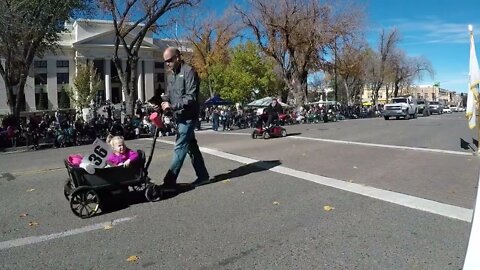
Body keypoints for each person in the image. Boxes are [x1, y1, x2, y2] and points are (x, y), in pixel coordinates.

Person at [157, 47, 210, 189]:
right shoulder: (171, 75)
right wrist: (161, 103)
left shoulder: (189, 72)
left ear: (178, 57)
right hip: (179, 116)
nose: (167, 63)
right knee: (191, 146)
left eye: (169, 60)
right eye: (165, 61)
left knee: (180, 146)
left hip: (189, 117)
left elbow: (190, 98)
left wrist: (172, 105)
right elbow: (168, 94)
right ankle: (203, 176)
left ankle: (169, 182)